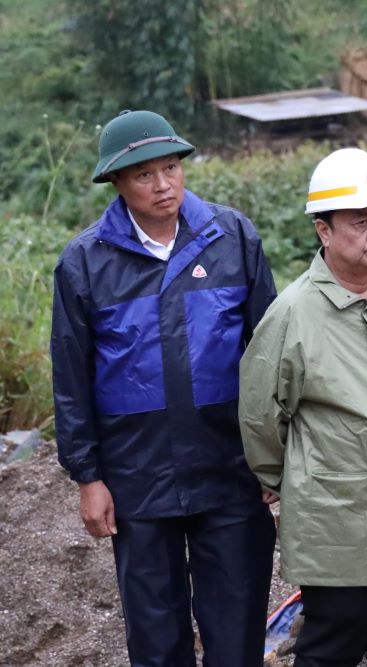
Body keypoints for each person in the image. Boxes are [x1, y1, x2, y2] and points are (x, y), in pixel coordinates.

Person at [50, 109, 277, 666]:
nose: (162, 185)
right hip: (137, 476)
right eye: (143, 175)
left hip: (228, 468)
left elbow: (270, 355)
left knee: (236, 627)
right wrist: (88, 477)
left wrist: (274, 457)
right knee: (155, 635)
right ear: (118, 183)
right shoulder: (84, 263)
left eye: (171, 168)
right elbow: (71, 378)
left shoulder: (232, 237)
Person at [239, 148, 367, 667]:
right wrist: (304, 481)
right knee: (332, 649)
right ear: (324, 231)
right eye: (360, 222)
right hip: (339, 533)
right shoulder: (293, 315)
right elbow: (262, 419)